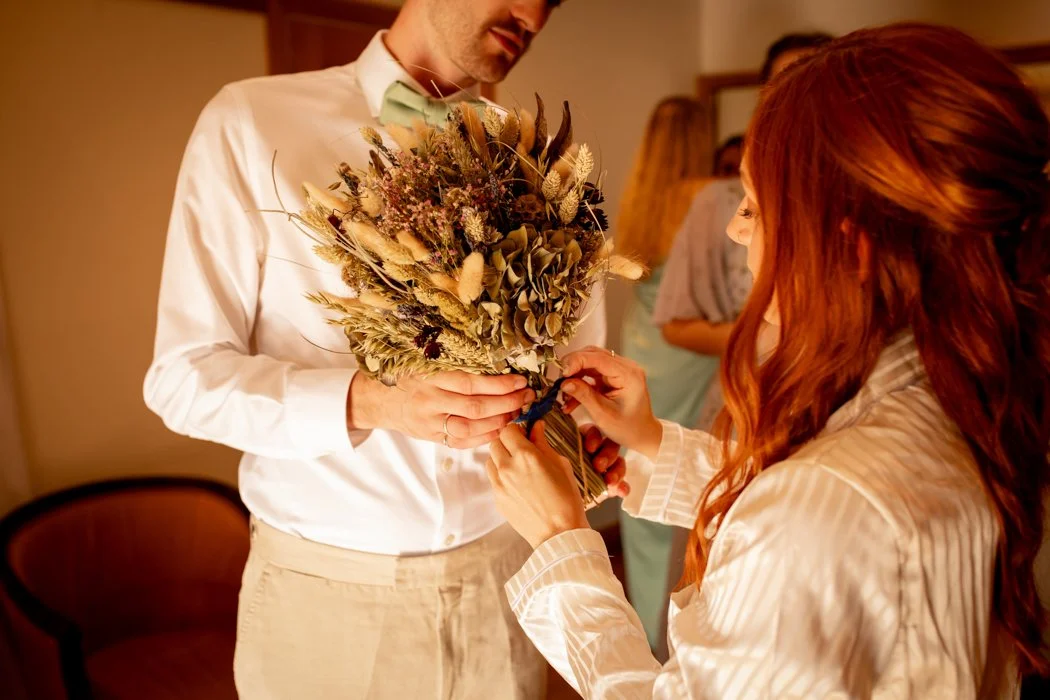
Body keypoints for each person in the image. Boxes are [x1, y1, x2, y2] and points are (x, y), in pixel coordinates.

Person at [486, 22, 1050, 697]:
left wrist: (560, 541)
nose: (735, 229)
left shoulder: (815, 512)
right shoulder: (955, 393)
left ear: (850, 246)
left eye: (754, 206)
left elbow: (812, 515)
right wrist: (650, 443)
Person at [143, 1, 609, 698]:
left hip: (508, 583)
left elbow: (575, 363)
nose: (534, 14)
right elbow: (183, 379)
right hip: (329, 601)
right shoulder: (250, 122)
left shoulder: (542, 166)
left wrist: (579, 432)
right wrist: (372, 403)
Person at [656, 31, 833, 430]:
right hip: (751, 392)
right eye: (786, 88)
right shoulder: (714, 201)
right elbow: (676, 324)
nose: (737, 230)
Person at [612, 98, 713, 659]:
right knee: (682, 487)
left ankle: (644, 635)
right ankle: (672, 641)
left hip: (642, 344)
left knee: (643, 487)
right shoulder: (705, 199)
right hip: (687, 351)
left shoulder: (640, 197)